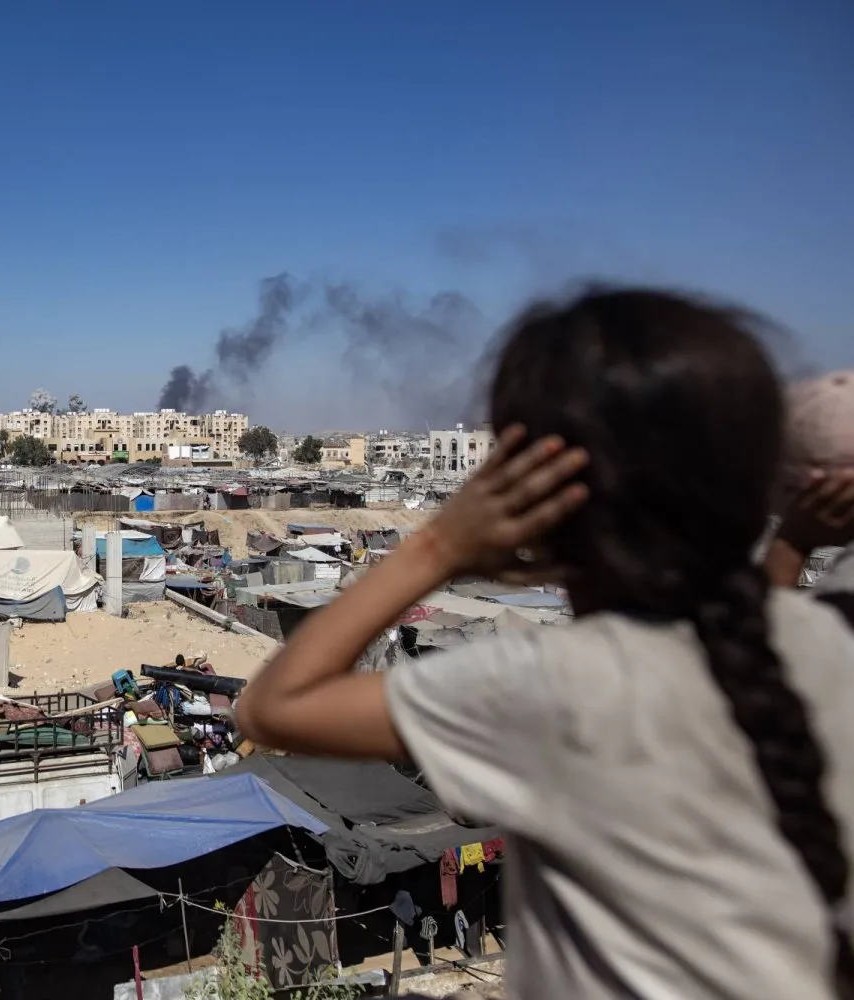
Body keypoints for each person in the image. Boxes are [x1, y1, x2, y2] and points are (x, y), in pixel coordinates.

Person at [236, 288, 854, 1000]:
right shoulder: (831, 641)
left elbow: (272, 707)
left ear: (533, 498)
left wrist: (439, 543)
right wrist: (795, 539)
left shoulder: (540, 690)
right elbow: (747, 655)